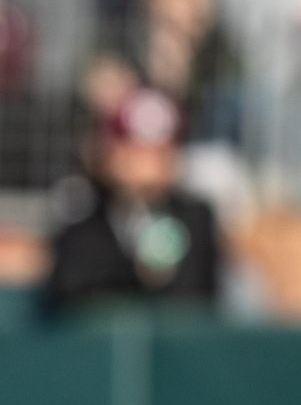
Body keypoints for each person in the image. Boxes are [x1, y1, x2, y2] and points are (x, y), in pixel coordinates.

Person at [37, 85, 228, 319]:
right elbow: (70, 288)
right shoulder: (81, 211)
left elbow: (196, 294)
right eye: (134, 148)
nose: (146, 162)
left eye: (159, 150)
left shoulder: (195, 218)